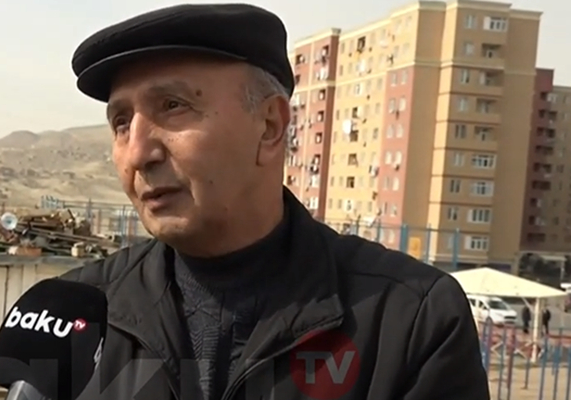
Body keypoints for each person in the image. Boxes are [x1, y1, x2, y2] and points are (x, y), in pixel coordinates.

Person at [61, 4, 489, 399]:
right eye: (121, 123)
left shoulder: (411, 322)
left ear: (269, 126)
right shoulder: (73, 315)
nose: (137, 154)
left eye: (173, 106)